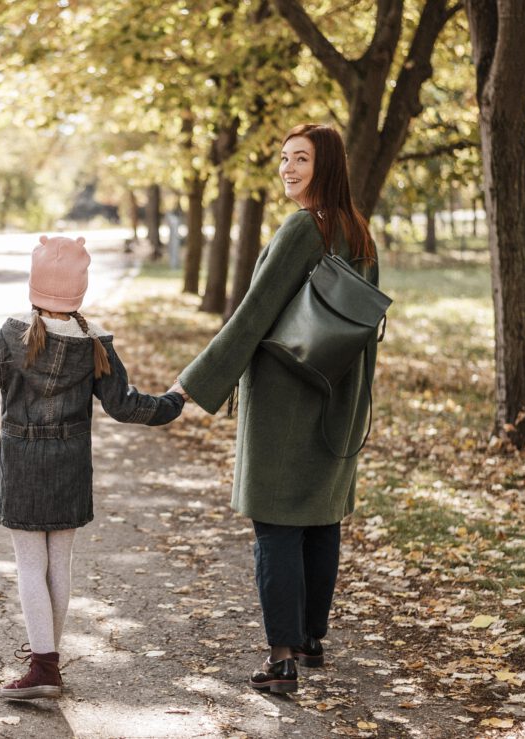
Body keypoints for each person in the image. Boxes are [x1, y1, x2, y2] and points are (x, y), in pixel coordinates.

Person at [0, 235, 185, 699]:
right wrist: (173, 401)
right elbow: (126, 406)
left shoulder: (11, 338)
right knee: (58, 563)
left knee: (30, 564)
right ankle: (47, 657)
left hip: (23, 461)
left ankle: (44, 665)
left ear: (34, 286)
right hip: (71, 463)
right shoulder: (94, 344)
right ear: (78, 292)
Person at [176, 124, 379, 694]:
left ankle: (281, 658)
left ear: (327, 166)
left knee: (276, 526)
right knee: (319, 519)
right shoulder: (359, 234)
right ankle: (312, 637)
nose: (288, 169)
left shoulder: (303, 228)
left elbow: (253, 314)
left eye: (302, 160)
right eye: (284, 158)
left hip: (287, 401)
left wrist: (195, 384)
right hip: (337, 398)